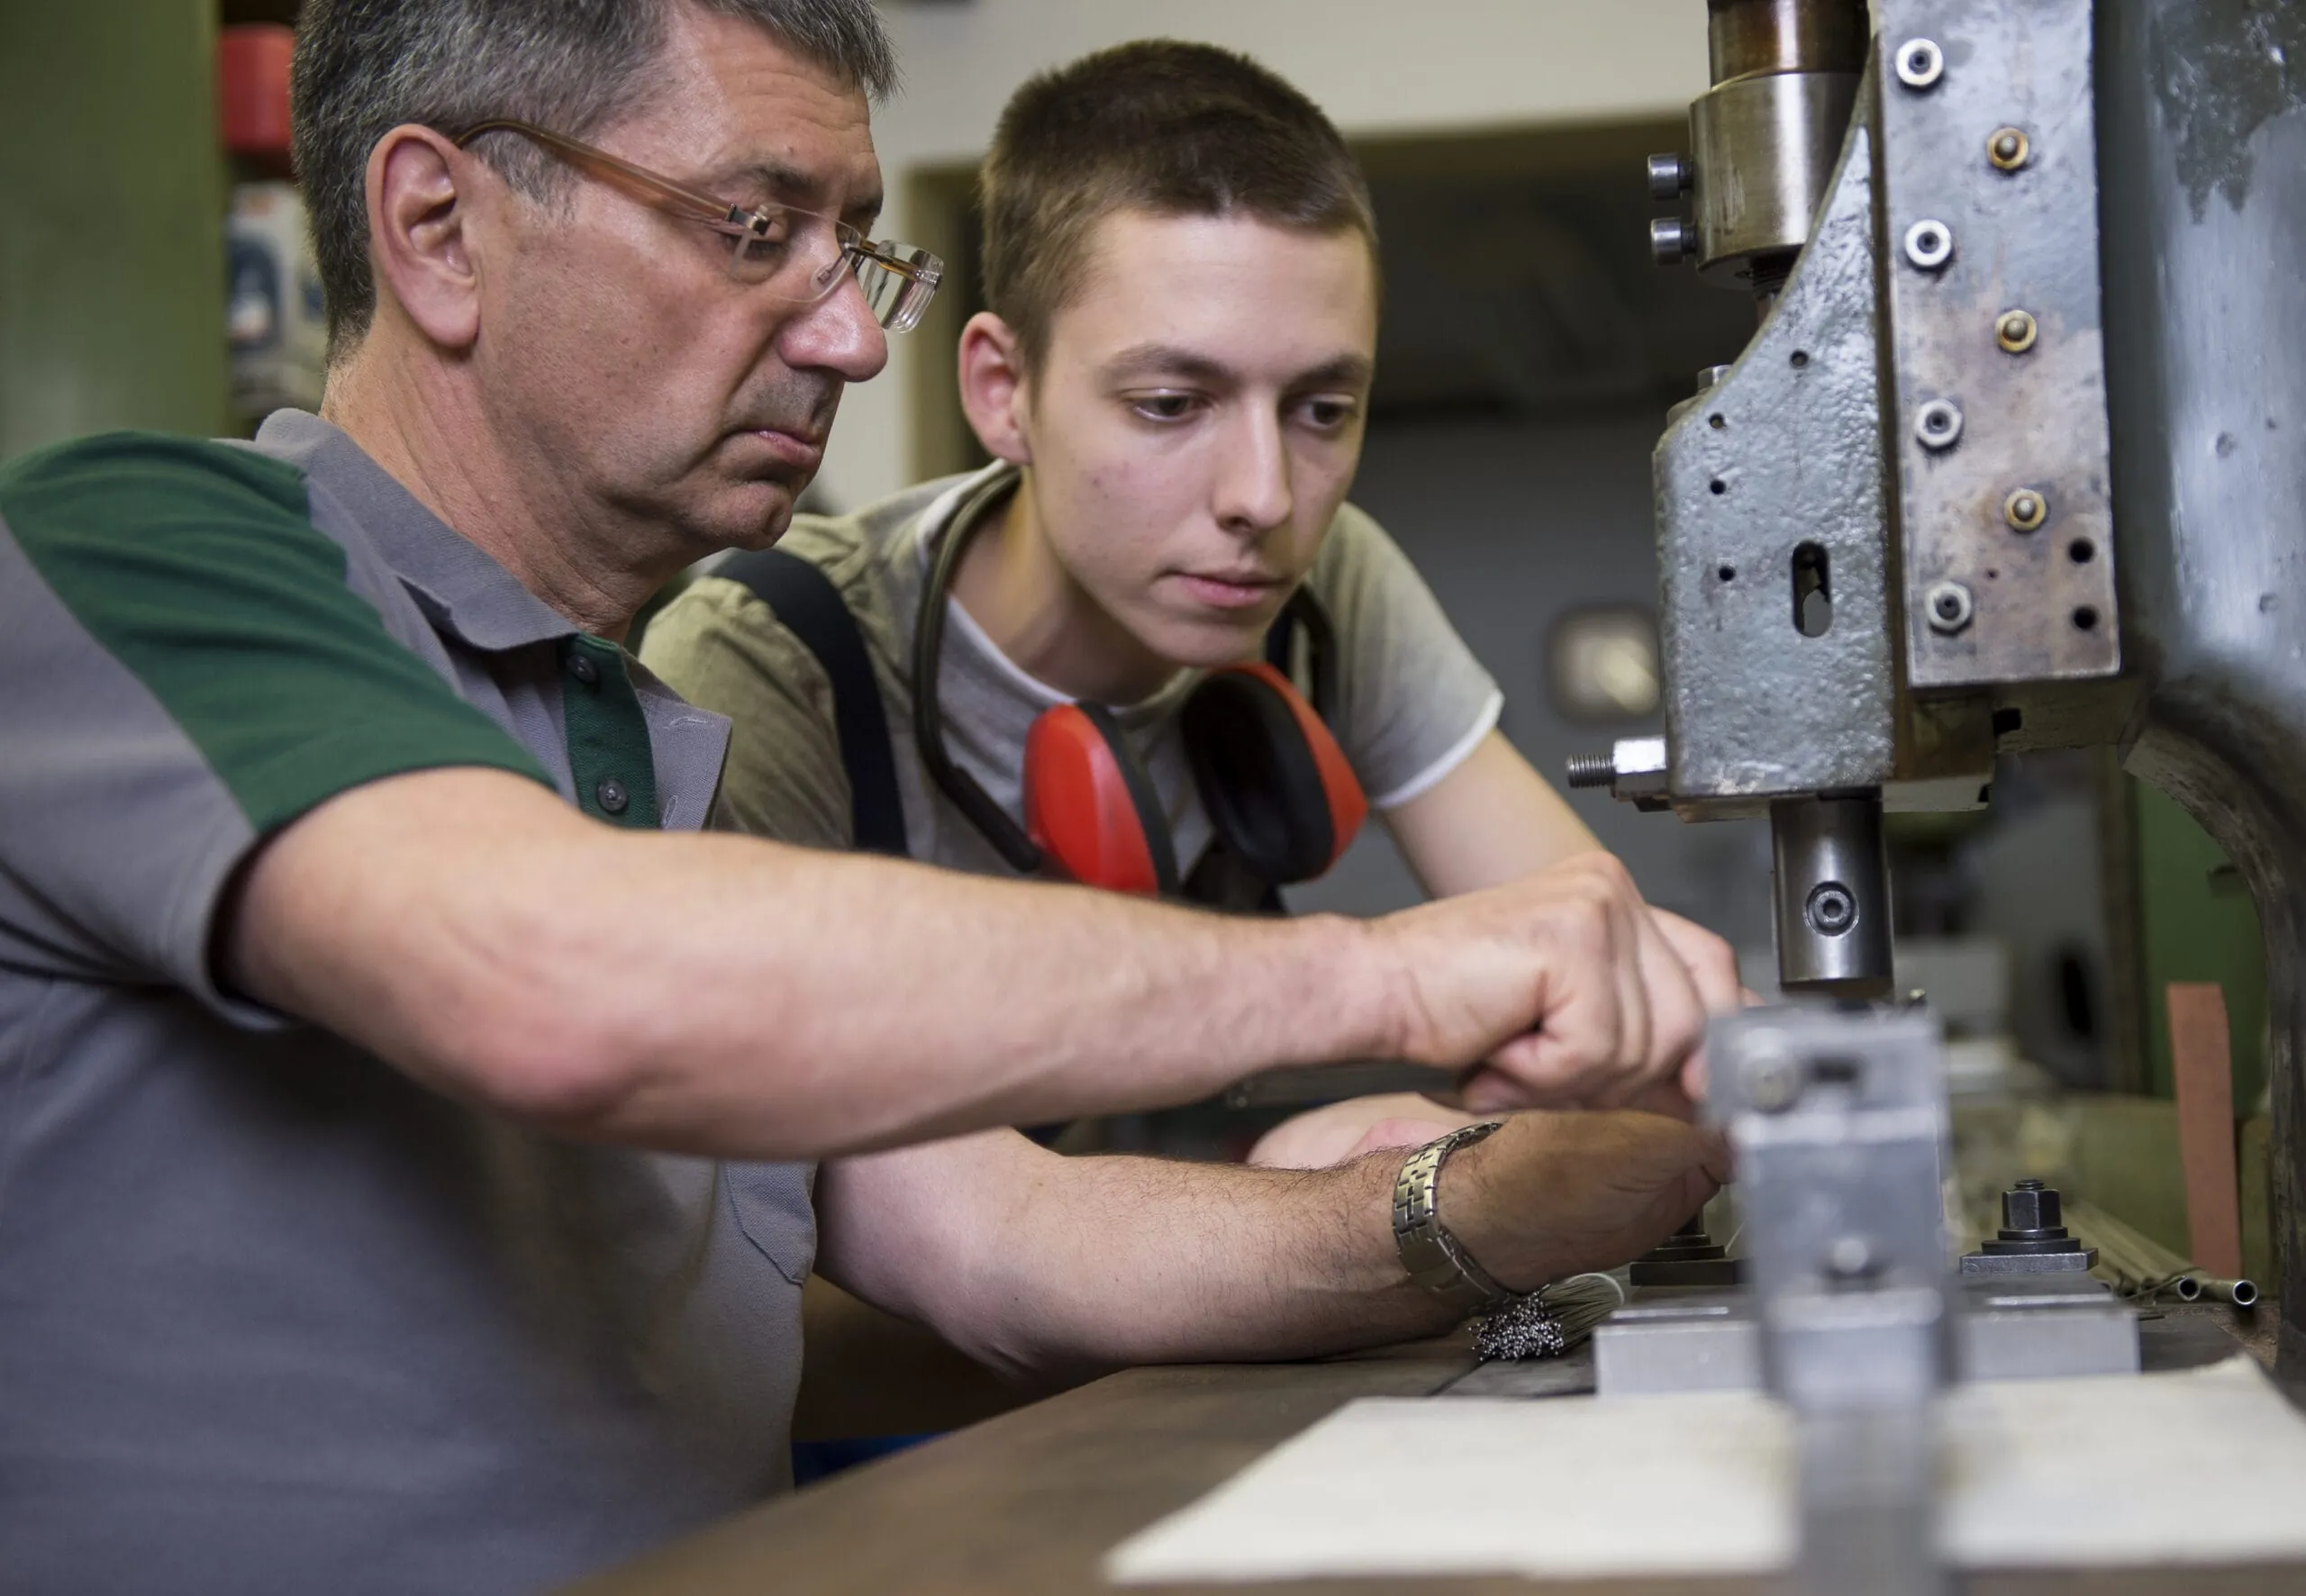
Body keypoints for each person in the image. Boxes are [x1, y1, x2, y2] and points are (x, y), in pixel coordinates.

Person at [0, 5, 1729, 1593]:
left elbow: (1011, 1240)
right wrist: (1397, 977)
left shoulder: (660, 753)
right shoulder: (141, 552)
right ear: (442, 229)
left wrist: (1505, 1202)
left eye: (852, 252)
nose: (840, 336)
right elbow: (569, 990)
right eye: (757, 232)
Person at [640, 40, 1739, 1169]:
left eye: (1321, 408)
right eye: (1172, 403)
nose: (1263, 499)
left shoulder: (1327, 581)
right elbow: (775, 1265)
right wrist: (1287, 1188)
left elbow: (1612, 1009)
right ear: (1001, 392)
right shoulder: (767, 664)